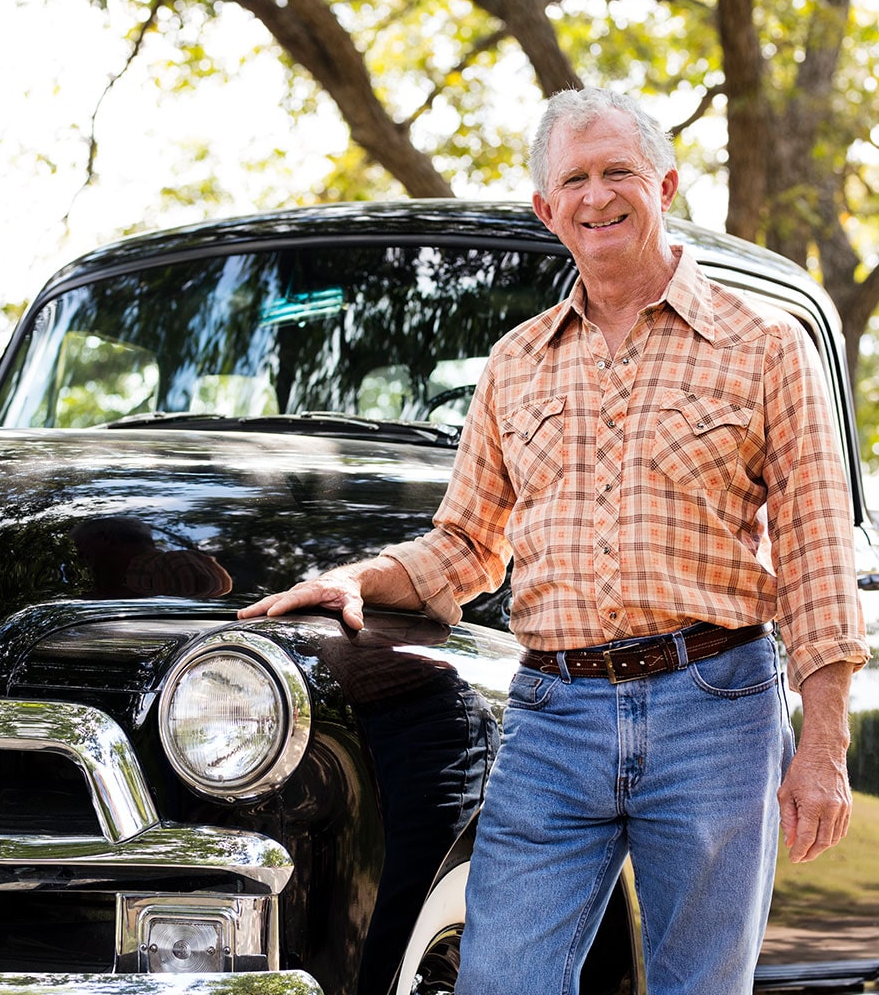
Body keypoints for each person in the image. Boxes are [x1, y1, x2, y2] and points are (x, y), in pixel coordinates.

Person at [239, 87, 868, 994]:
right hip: (552, 714)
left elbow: (814, 554)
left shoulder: (764, 345)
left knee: (698, 985)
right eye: (574, 177)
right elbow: (465, 545)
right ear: (547, 209)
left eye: (619, 171)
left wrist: (822, 748)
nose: (597, 194)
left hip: (715, 706)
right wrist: (360, 577)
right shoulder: (516, 363)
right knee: (503, 979)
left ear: (665, 183)